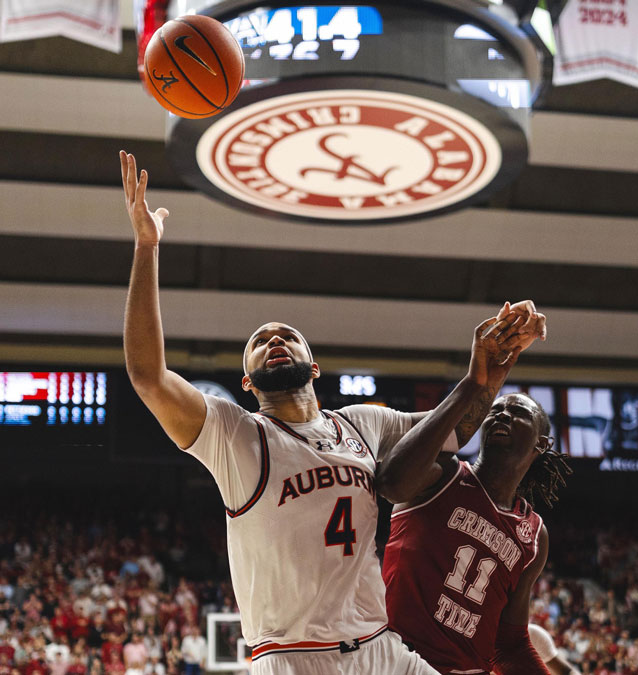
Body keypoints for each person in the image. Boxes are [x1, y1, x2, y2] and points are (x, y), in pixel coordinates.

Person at [118, 151, 544, 675]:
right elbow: (148, 376)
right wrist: (146, 248)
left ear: (313, 367)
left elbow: (454, 427)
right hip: (293, 657)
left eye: (288, 336)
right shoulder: (235, 434)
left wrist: (490, 373)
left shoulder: (363, 424)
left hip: (378, 648)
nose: (276, 339)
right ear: (247, 382)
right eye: (260, 341)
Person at [378, 356, 570, 674]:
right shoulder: (445, 473)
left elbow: (508, 645)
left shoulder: (535, 534)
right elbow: (392, 483)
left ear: (541, 444)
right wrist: (471, 388)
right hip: (397, 661)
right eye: (495, 411)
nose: (501, 416)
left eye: (517, 413)